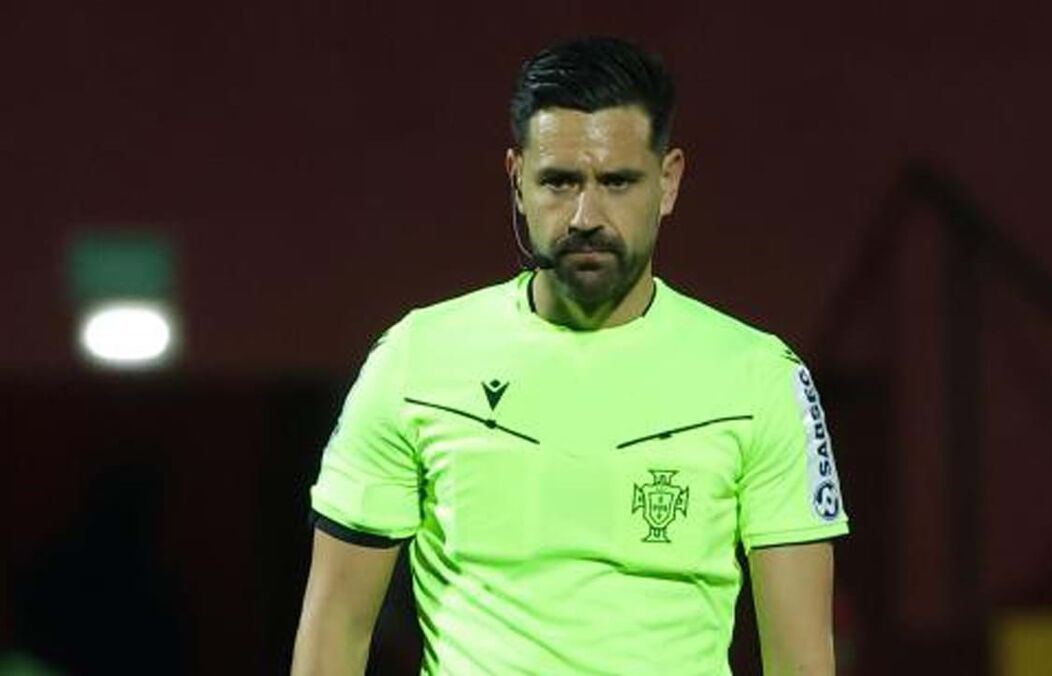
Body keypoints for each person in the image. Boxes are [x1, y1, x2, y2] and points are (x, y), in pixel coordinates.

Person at [291, 36, 849, 676]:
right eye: (559, 181)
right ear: (516, 181)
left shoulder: (759, 378)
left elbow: (802, 662)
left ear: (668, 182)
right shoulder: (414, 361)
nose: (587, 214)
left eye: (617, 182)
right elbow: (334, 630)